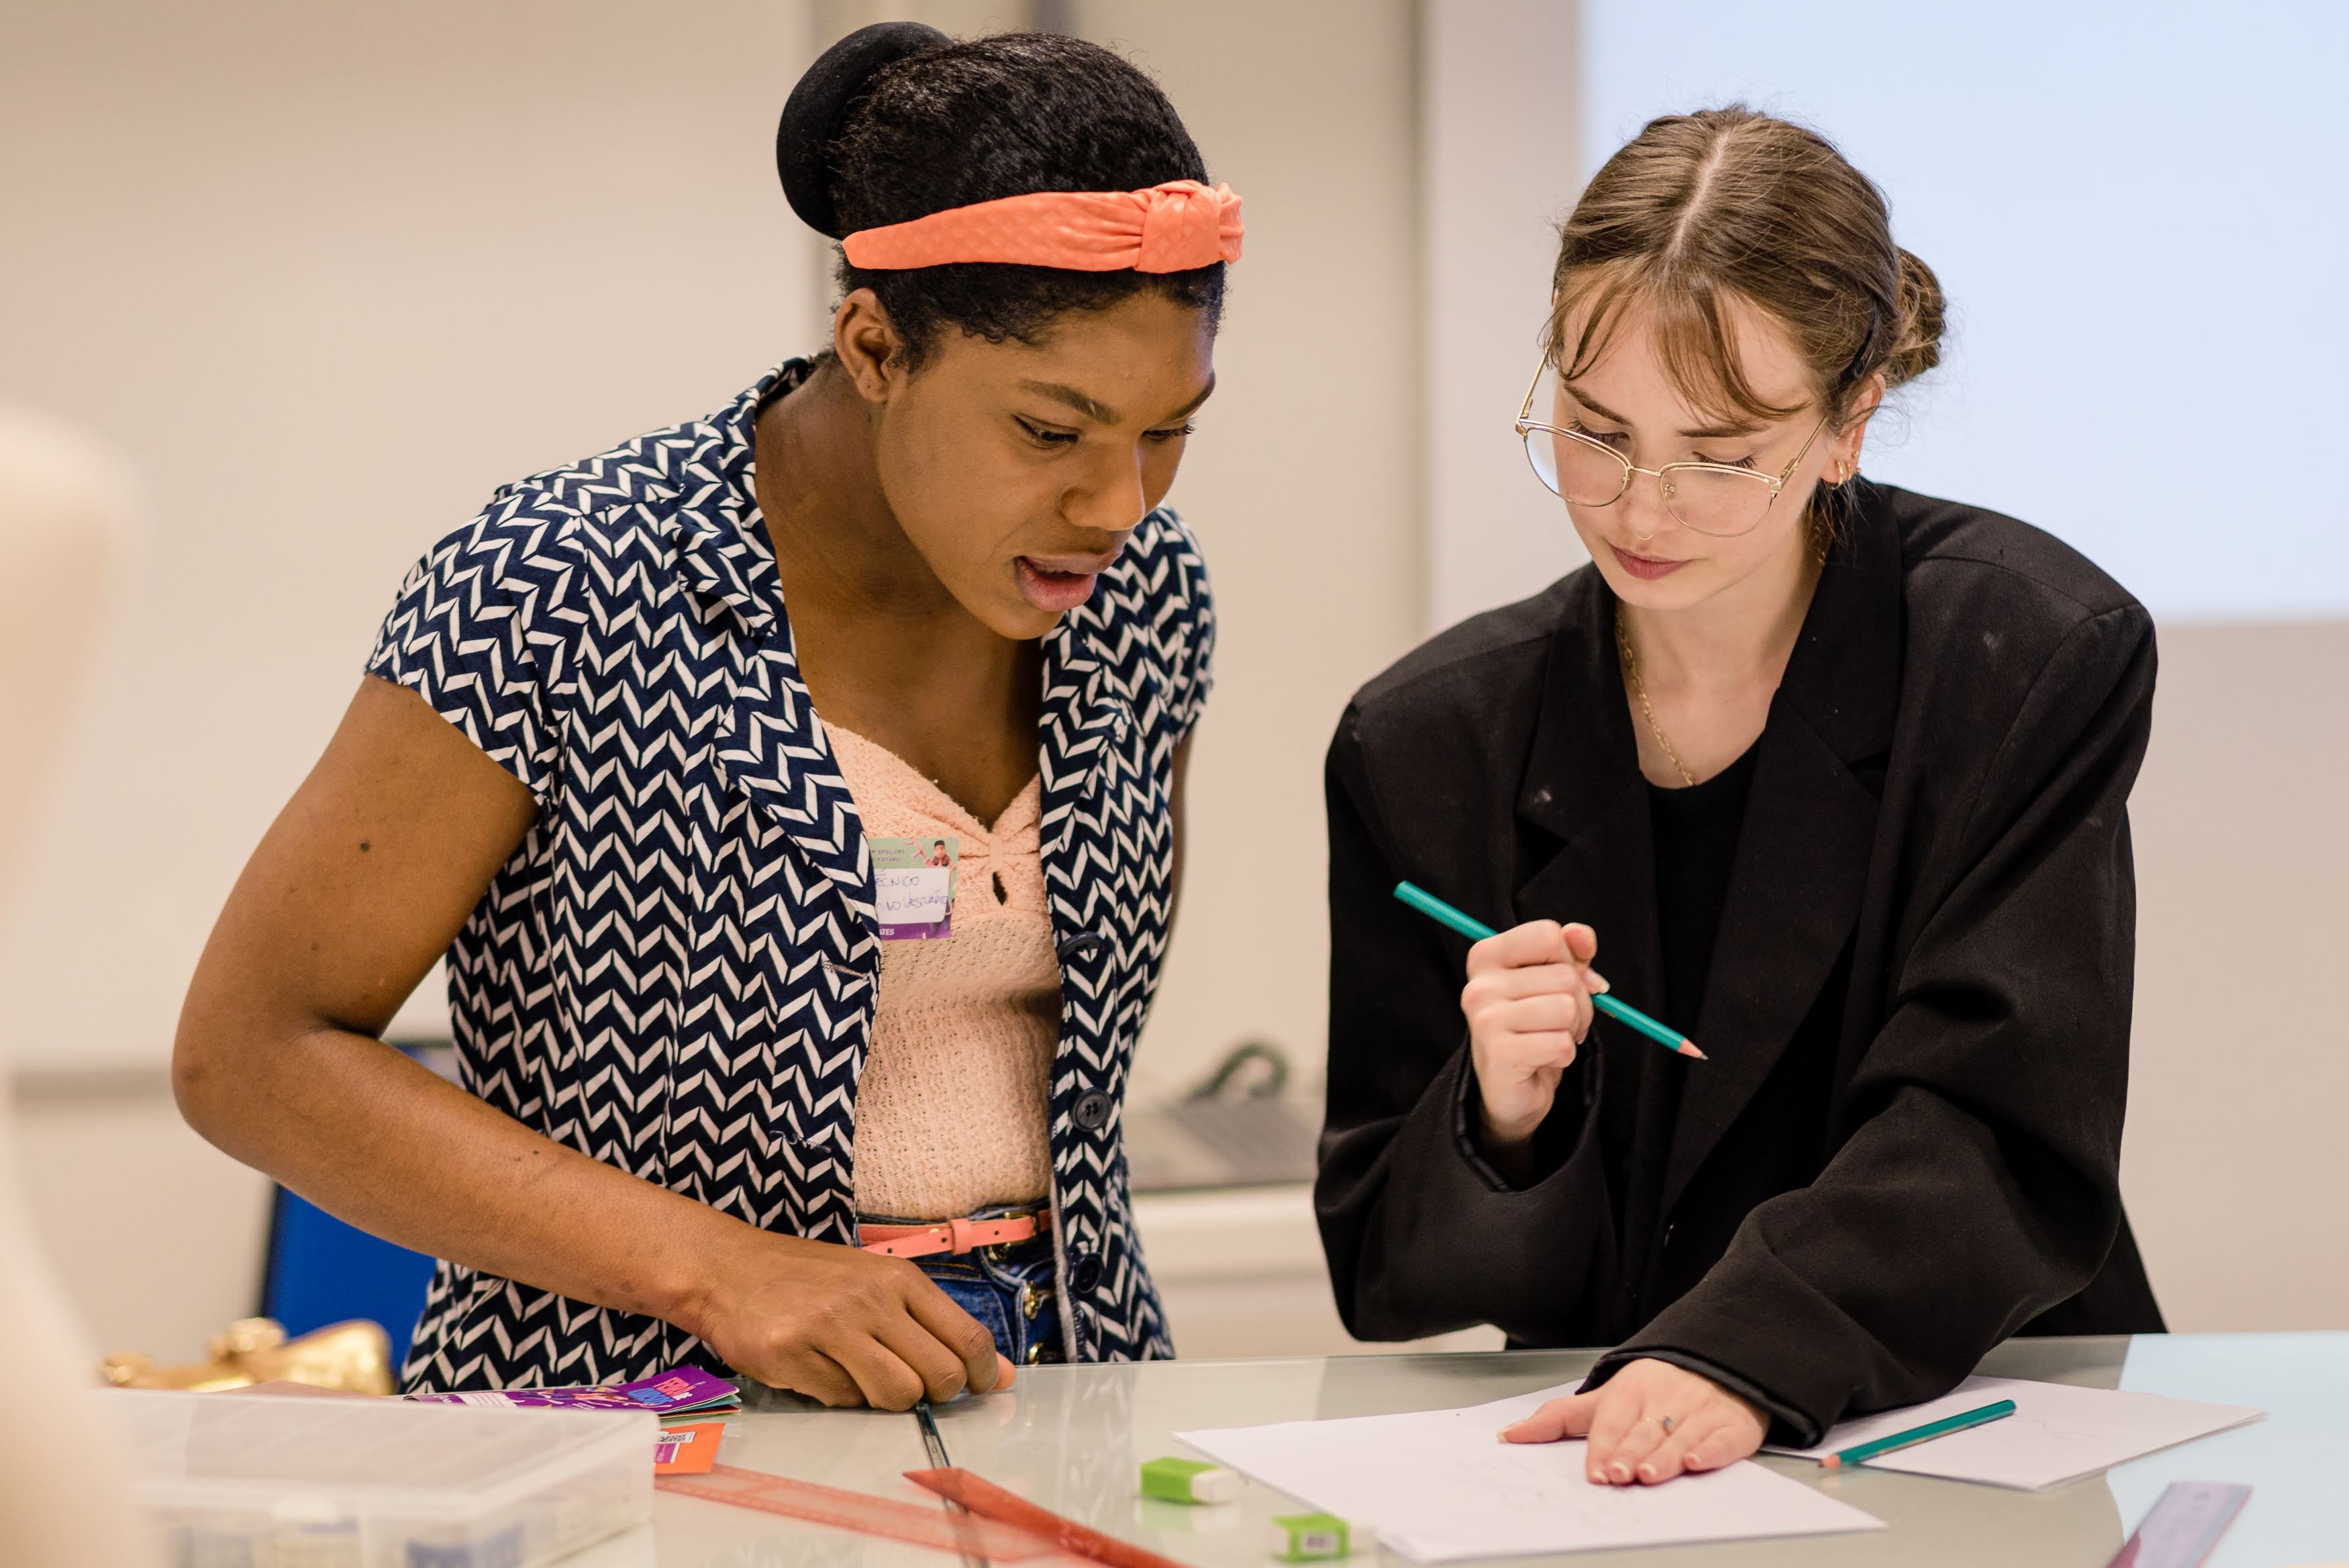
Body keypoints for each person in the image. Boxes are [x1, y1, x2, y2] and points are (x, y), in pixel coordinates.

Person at [174, 24, 1234, 1406]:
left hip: (1061, 1383)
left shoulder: (1145, 596)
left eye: (1168, 430)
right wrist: (720, 1268)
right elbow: (251, 1054)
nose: (1118, 502)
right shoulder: (566, 580)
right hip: (631, 1403)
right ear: (873, 345)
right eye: (1050, 431)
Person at [1316, 107, 2162, 1487]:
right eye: (1596, 432)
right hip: (1612, 1462)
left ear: (1847, 424)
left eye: (1718, 454)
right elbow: (1386, 1271)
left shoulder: (2025, 653)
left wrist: (1743, 1350)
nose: (1641, 509)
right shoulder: (1425, 738)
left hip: (1979, 1424)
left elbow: (1999, 1128)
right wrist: (1499, 1118)